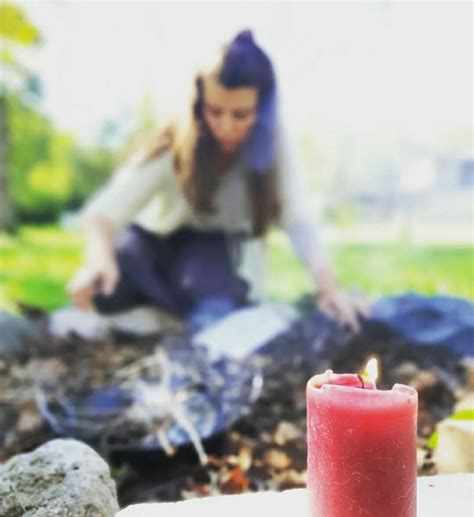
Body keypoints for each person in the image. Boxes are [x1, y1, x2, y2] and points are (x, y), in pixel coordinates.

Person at [68, 30, 369, 333]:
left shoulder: (274, 146)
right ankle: (152, 317)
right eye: (215, 111)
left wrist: (329, 288)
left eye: (241, 114)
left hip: (214, 257)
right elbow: (104, 213)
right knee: (110, 280)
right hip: (155, 249)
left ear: (262, 108)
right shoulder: (175, 141)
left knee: (211, 304)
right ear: (199, 104)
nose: (226, 127)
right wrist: (99, 260)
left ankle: (164, 320)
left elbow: (297, 218)